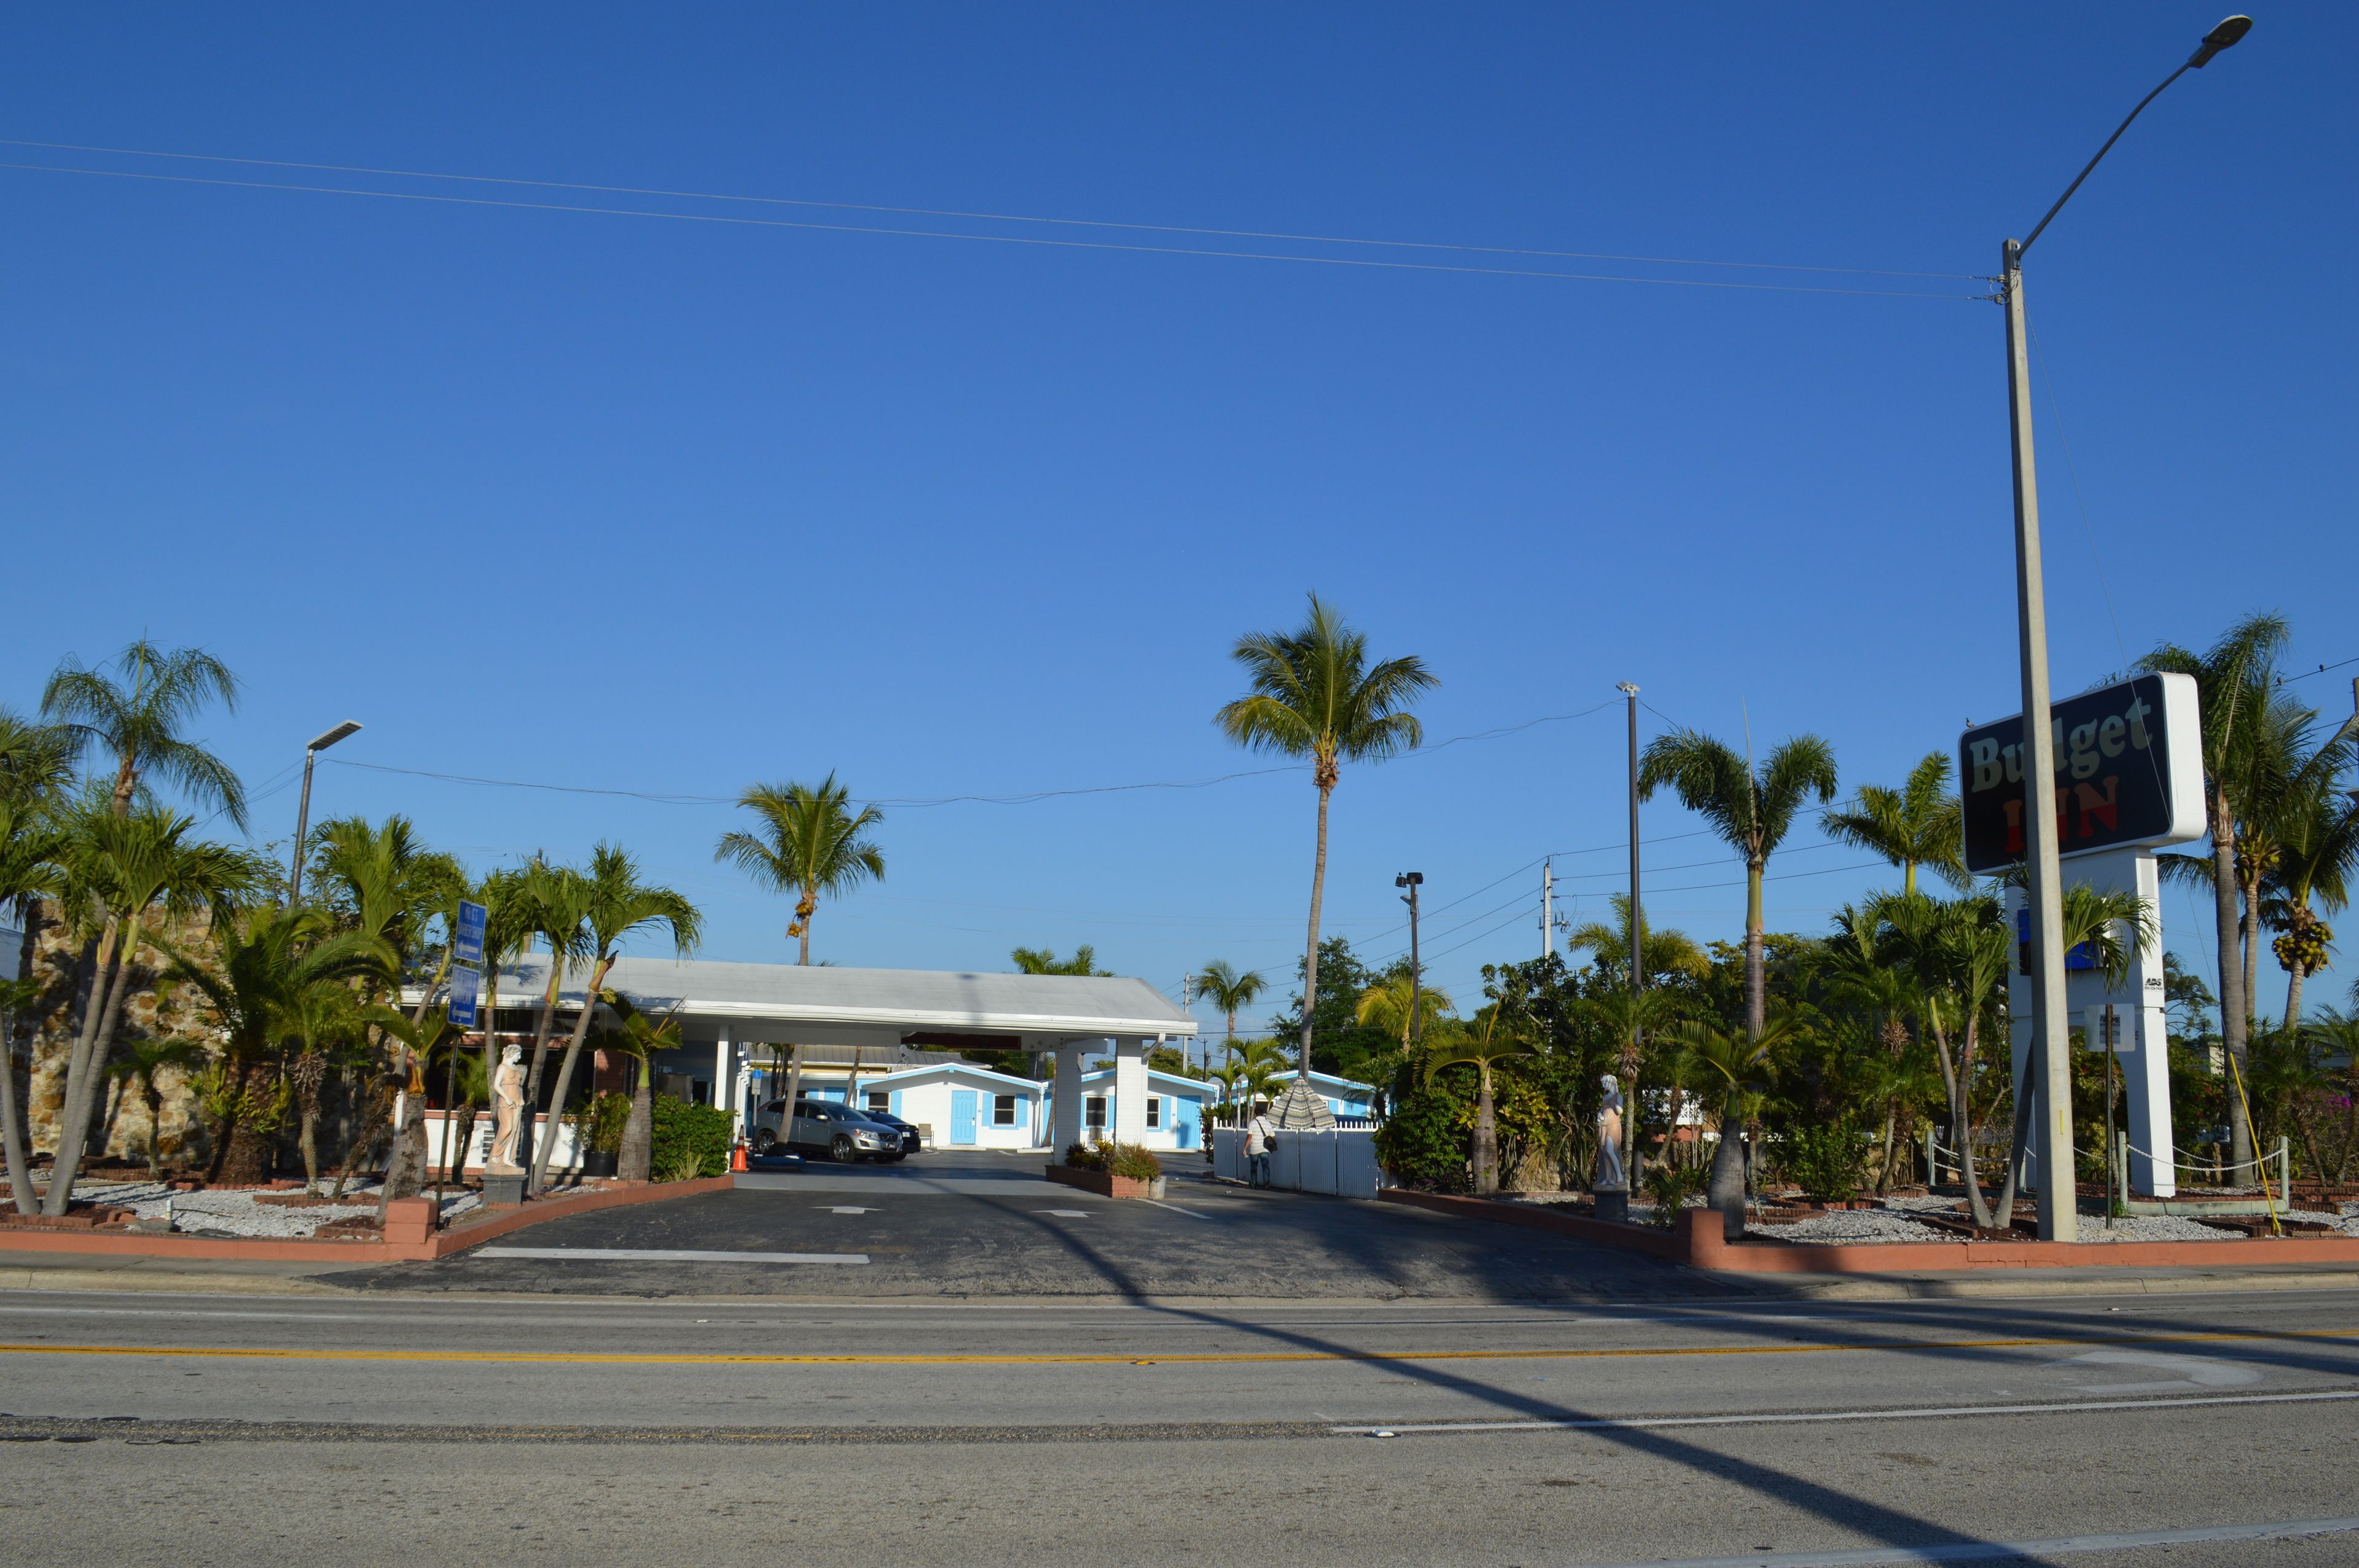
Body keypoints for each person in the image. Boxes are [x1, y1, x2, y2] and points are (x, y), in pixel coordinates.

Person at [1245, 1104, 1277, 1188]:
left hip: (1255, 1148)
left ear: (1255, 1115)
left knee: (1254, 1167)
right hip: (1265, 1149)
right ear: (1263, 1114)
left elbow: (1249, 1136)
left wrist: (1245, 1148)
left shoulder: (1252, 1123)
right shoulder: (1268, 1124)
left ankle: (1253, 1184)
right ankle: (1266, 1184)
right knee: (1265, 1167)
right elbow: (1273, 1136)